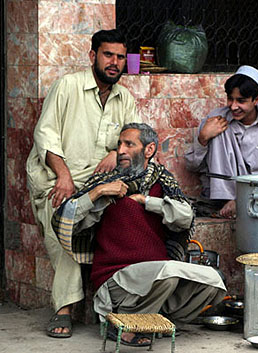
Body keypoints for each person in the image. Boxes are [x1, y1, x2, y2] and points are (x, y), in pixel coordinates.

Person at [52, 123, 226, 346]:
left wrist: (147, 202)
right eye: (119, 145)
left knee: (214, 280)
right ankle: (123, 324)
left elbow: (185, 216)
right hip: (117, 278)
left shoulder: (163, 182)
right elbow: (68, 221)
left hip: (157, 277)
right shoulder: (106, 184)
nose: (121, 151)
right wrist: (97, 193)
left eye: (129, 144)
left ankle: (156, 319)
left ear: (149, 149)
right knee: (169, 274)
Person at [25, 29, 140, 338]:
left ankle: (121, 306)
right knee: (64, 222)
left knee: (129, 220)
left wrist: (119, 152)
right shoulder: (68, 87)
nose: (114, 62)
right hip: (56, 178)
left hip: (99, 185)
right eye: (107, 55)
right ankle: (63, 309)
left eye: (119, 57)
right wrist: (63, 176)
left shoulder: (124, 98)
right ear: (93, 56)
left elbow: (137, 141)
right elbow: (45, 136)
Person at [185, 65, 258, 218]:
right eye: (230, 99)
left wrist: (244, 198)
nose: (233, 106)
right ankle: (229, 199)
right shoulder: (216, 119)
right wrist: (203, 138)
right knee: (220, 130)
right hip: (220, 198)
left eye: (241, 101)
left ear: (256, 100)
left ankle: (238, 202)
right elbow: (192, 165)